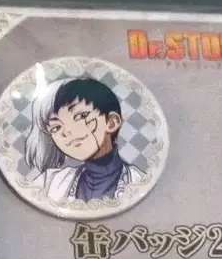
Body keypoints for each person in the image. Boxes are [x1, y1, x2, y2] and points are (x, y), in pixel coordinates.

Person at [24, 77, 144, 205]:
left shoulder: (141, 183)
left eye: (81, 116)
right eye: (56, 127)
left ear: (111, 122)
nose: (67, 132)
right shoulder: (48, 182)